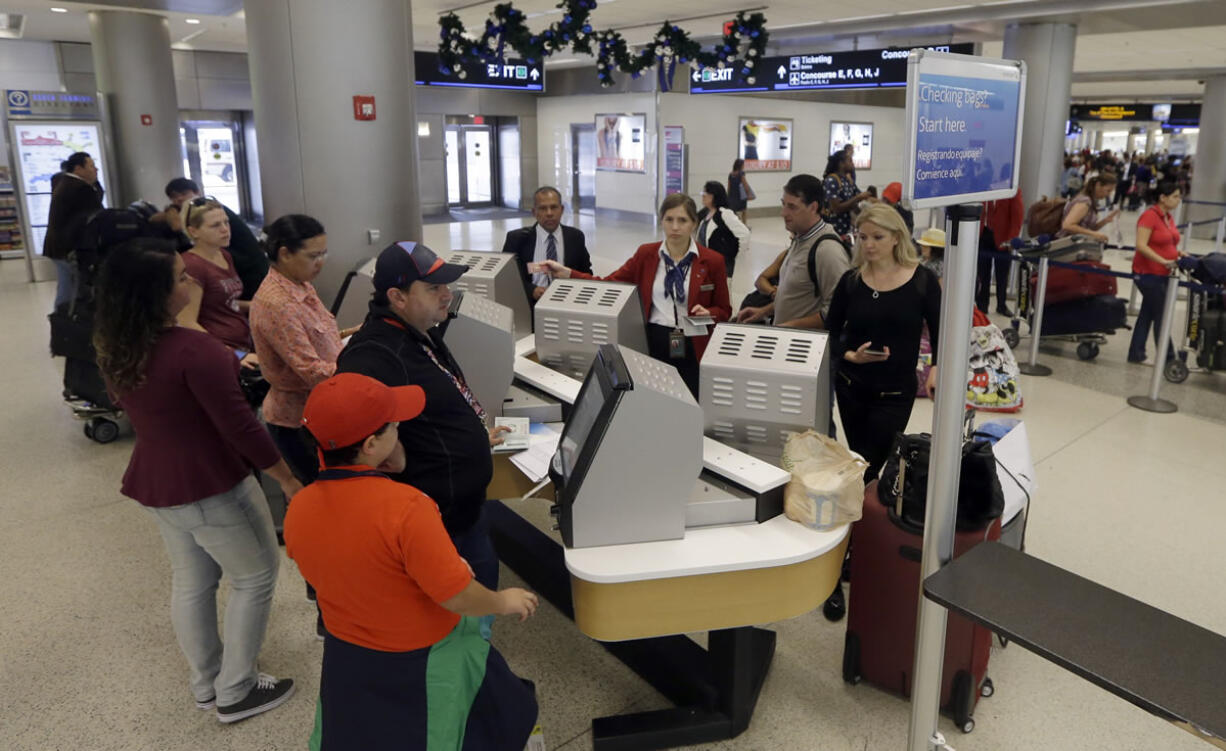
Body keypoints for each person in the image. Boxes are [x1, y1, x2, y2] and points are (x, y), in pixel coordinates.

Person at [92, 238, 300, 723]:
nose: (189, 280)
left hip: (157, 482)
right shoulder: (196, 350)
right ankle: (236, 689)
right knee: (256, 576)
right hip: (208, 484)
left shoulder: (116, 345)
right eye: (179, 278)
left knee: (193, 580)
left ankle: (207, 682)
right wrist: (287, 479)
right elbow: (241, 427)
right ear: (156, 294)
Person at [285, 373, 540, 750]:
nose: (400, 427)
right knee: (496, 719)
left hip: (350, 654)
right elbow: (456, 595)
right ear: (371, 444)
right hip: (422, 656)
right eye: (393, 426)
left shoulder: (300, 507)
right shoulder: (408, 508)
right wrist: (504, 601)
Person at [336, 242, 510, 590]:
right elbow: (356, 445)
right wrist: (396, 459)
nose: (447, 295)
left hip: (462, 512)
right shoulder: (373, 356)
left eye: (446, 285)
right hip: (435, 523)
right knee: (453, 626)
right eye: (433, 288)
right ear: (397, 297)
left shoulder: (417, 332)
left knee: (475, 614)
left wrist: (470, 435)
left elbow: (430, 404)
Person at [543, 193, 731, 397]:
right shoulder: (646, 255)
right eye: (669, 219)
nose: (675, 227)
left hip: (693, 341)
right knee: (654, 397)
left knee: (690, 397)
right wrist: (568, 273)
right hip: (653, 339)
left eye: (682, 220)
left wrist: (708, 313)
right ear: (661, 221)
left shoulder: (712, 261)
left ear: (694, 223)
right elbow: (610, 283)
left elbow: (724, 310)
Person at [825, 203, 941, 482]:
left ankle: (860, 514)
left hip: (895, 393)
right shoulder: (851, 281)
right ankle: (860, 515)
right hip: (851, 386)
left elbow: (941, 330)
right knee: (858, 460)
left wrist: (937, 368)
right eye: (862, 237)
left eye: (877, 237)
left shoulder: (922, 281)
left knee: (868, 465)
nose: (868, 244)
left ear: (896, 237)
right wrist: (850, 355)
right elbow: (829, 331)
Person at [249, 214, 361, 484]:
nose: (321, 262)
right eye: (314, 256)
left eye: (324, 253)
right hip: (298, 424)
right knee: (324, 497)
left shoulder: (299, 285)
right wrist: (363, 369)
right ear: (285, 253)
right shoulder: (279, 304)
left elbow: (320, 336)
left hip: (317, 413)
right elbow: (311, 371)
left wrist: (353, 334)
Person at [736, 175, 851, 330]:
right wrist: (763, 312)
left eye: (792, 207)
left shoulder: (827, 250)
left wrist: (788, 327)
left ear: (813, 207)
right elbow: (795, 296)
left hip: (805, 348)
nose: (783, 213)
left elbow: (837, 310)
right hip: (786, 340)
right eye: (783, 205)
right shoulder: (800, 239)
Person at [151, 178, 268, 299]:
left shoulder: (212, 212)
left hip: (251, 272)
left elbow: (176, 225)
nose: (179, 199)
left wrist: (171, 210)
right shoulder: (197, 262)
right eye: (174, 196)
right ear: (193, 231)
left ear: (197, 192)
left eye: (184, 193)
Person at [177, 199, 257, 367]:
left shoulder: (224, 255)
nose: (225, 230)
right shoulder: (193, 265)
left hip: (239, 345)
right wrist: (233, 354)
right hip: (219, 353)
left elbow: (221, 301)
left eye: (226, 222)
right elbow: (187, 322)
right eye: (215, 226)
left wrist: (251, 305)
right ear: (193, 231)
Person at [501, 186, 592, 303]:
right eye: (543, 208)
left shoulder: (575, 237)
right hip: (531, 304)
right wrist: (531, 290)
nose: (549, 213)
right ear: (534, 212)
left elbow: (586, 273)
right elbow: (507, 277)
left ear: (562, 209)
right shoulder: (517, 239)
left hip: (567, 302)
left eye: (554, 207)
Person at [1128, 181, 1184, 364]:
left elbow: (1169, 242)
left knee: (1148, 313)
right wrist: (1163, 261)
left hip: (1164, 273)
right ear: (1162, 197)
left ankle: (1136, 354)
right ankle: (1168, 359)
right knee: (1161, 314)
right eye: (1175, 196)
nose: (1178, 200)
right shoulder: (1149, 216)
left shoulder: (1167, 217)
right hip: (1148, 273)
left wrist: (1178, 254)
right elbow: (1141, 245)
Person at [42, 152, 103, 312]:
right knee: (70, 289)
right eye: (91, 166)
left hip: (58, 245)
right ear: (78, 168)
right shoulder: (80, 188)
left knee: (67, 284)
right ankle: (65, 322)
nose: (95, 169)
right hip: (69, 248)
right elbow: (97, 214)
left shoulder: (63, 182)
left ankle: (63, 319)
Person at [978, 189, 1024, 316]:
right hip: (983, 234)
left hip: (1002, 237)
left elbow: (1017, 215)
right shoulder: (984, 185)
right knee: (983, 273)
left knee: (1002, 275)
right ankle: (982, 305)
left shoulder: (1012, 189)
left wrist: (1012, 239)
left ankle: (1001, 305)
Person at [696, 181, 750, 278]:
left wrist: (732, 255)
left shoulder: (725, 213)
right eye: (703, 193)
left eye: (706, 193)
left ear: (715, 196)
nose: (703, 196)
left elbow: (744, 234)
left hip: (721, 266)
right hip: (706, 263)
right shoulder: (705, 213)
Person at [822, 150, 873, 241]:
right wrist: (858, 198)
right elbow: (836, 208)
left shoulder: (847, 181)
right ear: (841, 163)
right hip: (834, 232)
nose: (853, 164)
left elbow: (855, 200)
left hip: (847, 231)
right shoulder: (832, 180)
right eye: (850, 161)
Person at [1058, 173, 1120, 242]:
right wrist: (1094, 234)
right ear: (1098, 185)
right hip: (1067, 244)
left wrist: (1105, 220)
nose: (1109, 194)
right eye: (1108, 190)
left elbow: (1087, 228)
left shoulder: (1091, 201)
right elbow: (1067, 225)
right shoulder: (1084, 201)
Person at [727, 158, 753, 224]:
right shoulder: (741, 173)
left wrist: (728, 196)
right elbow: (745, 184)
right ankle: (744, 225)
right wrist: (749, 193)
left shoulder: (731, 174)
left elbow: (728, 186)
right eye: (743, 164)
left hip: (732, 195)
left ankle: (735, 224)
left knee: (734, 211)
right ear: (740, 165)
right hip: (740, 195)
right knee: (744, 211)